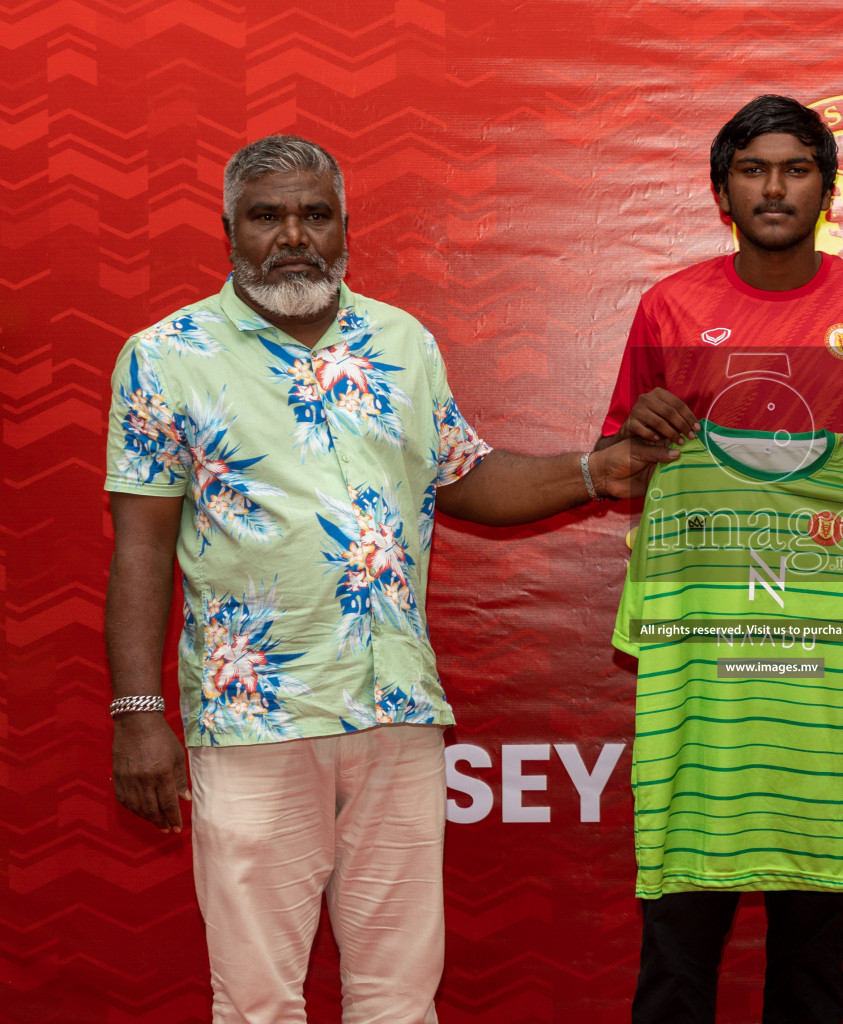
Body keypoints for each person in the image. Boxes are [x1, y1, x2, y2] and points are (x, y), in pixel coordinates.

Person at [104, 134, 673, 1023]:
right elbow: (139, 545)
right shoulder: (166, 355)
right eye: (267, 216)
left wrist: (595, 472)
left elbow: (464, 476)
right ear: (229, 230)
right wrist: (139, 717)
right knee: (256, 1000)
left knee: (399, 997)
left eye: (315, 214)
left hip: (396, 711)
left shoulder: (401, 341)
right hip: (257, 717)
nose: (292, 235)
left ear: (342, 228)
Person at [596, 94, 843, 1024]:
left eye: (796, 168)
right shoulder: (670, 305)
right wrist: (641, 433)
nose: (774, 186)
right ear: (722, 190)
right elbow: (618, 467)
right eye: (753, 169)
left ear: (827, 188)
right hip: (707, 675)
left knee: (809, 959)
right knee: (678, 949)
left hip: (827, 678)